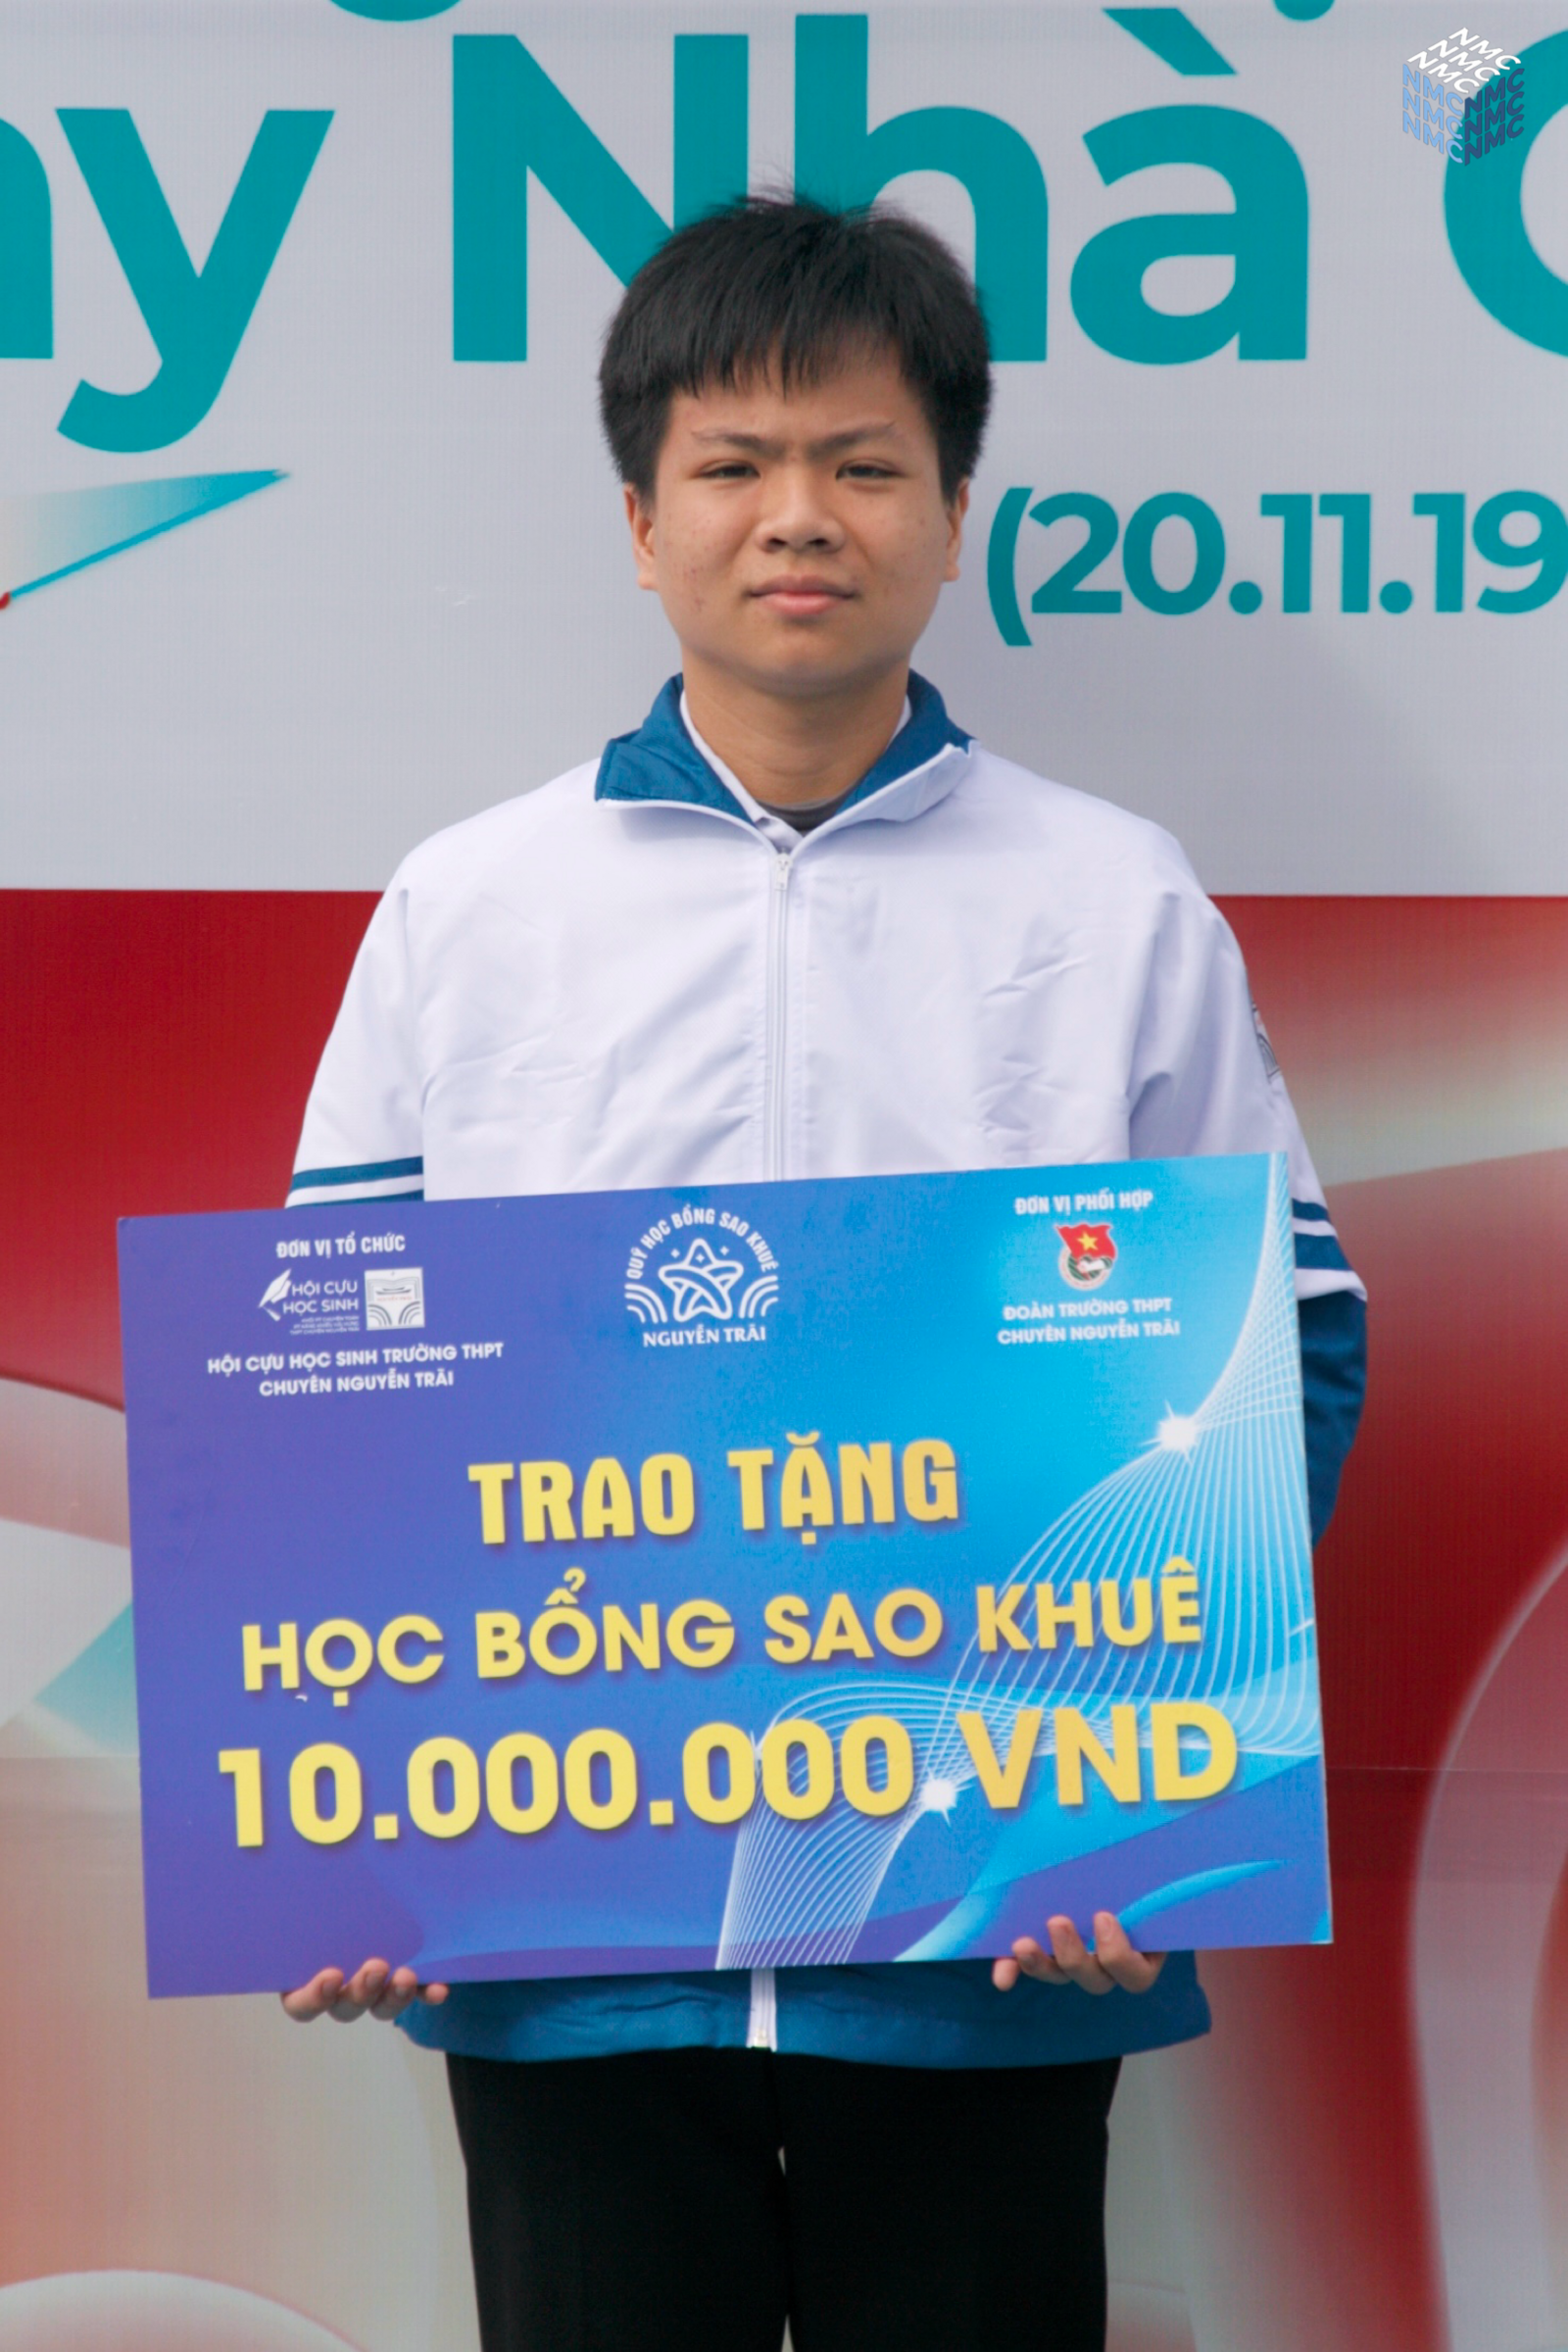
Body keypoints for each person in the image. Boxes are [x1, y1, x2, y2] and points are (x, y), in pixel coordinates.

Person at [278, 199, 1366, 2352]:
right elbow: (337, 1387)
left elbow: (1285, 1353)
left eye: (865, 464)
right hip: (569, 1919)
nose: (800, 516)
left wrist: (1131, 1781)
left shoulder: (1108, 899)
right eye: (734, 464)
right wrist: (364, 1812)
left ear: (953, 517)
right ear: (640, 519)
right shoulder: (472, 905)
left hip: (989, 1917)